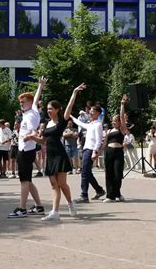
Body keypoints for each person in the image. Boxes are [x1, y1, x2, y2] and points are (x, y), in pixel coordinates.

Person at [28, 83, 85, 220]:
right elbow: (44, 141)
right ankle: (55, 212)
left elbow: (70, 107)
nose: (48, 111)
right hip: (50, 156)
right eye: (47, 109)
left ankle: (70, 203)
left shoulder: (62, 121)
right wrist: (32, 137)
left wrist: (74, 92)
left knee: (62, 184)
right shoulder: (47, 123)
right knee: (54, 184)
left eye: (51, 109)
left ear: (57, 109)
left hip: (60, 155)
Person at [8, 78, 46, 218]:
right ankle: (39, 206)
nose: (21, 104)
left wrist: (29, 136)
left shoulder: (30, 116)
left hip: (25, 151)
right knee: (28, 181)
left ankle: (22, 209)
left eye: (23, 102)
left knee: (24, 181)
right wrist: (40, 87)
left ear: (28, 102)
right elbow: (35, 99)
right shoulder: (34, 109)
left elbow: (33, 131)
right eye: (20, 102)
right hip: (26, 151)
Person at [71, 105, 106, 203]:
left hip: (91, 150)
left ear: (98, 113)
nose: (90, 113)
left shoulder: (98, 124)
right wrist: (71, 116)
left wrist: (95, 151)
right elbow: (80, 123)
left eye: (93, 111)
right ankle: (99, 190)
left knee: (84, 172)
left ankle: (84, 195)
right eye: (90, 111)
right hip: (86, 149)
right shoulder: (91, 124)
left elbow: (99, 140)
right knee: (87, 172)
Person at [103, 95, 129, 202]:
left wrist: (122, 104)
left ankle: (118, 193)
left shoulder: (122, 129)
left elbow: (122, 117)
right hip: (108, 152)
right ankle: (110, 196)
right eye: (112, 120)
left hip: (118, 151)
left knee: (118, 174)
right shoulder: (108, 131)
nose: (113, 122)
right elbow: (104, 144)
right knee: (109, 173)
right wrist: (97, 153)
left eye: (115, 120)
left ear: (119, 122)